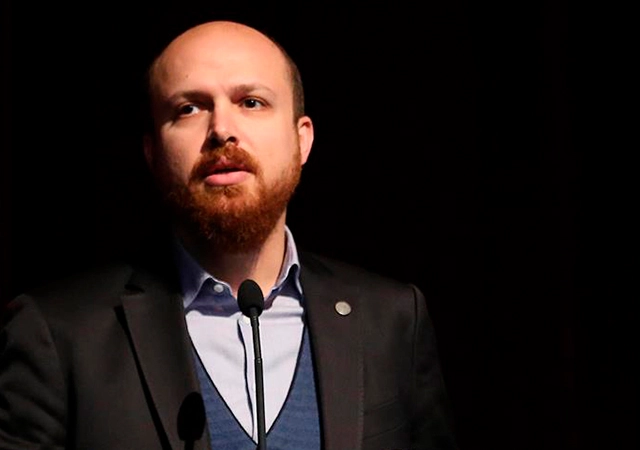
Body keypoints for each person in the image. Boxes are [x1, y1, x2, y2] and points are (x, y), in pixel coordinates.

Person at [0, 19, 458, 449]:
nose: (222, 130)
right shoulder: (57, 333)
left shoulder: (392, 320)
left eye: (251, 102)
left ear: (302, 140)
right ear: (152, 153)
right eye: (189, 108)